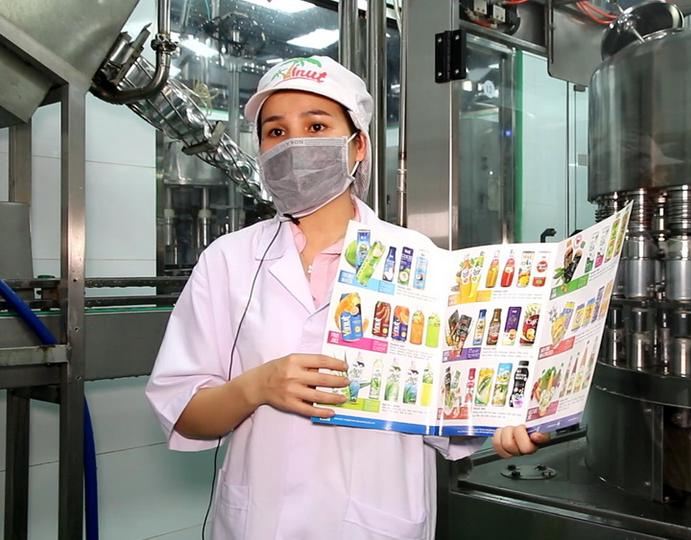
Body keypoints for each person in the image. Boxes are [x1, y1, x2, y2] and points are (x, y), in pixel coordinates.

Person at [145, 56, 548, 539]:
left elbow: (451, 410)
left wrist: (502, 424)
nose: (294, 144)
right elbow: (186, 415)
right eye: (276, 132)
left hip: (376, 523)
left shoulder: (419, 259)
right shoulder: (227, 260)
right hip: (259, 523)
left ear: (358, 145)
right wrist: (257, 386)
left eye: (316, 126)